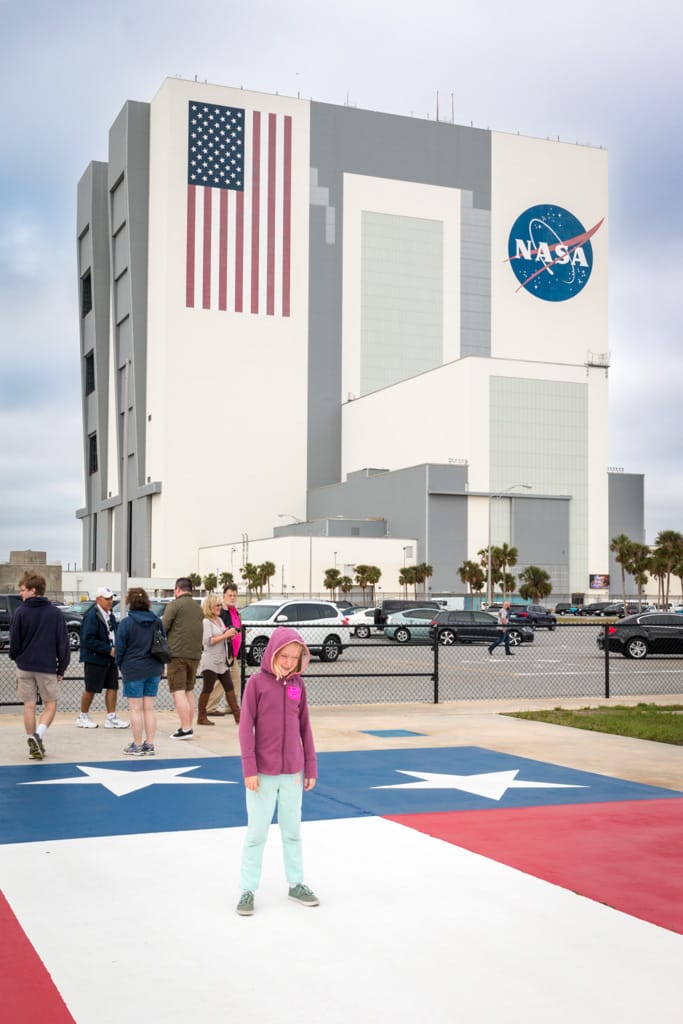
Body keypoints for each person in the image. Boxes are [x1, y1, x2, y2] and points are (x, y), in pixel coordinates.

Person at [236, 626, 319, 917]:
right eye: (284, 656)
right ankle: (247, 890)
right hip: (262, 774)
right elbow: (246, 728)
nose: (288, 662)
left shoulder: (298, 685)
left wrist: (310, 764)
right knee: (256, 833)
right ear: (273, 652)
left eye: (294, 658)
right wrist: (250, 768)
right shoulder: (256, 684)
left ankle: (296, 883)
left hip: (293, 773)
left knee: (292, 831)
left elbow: (304, 727)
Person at [9, 572, 71, 760]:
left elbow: (14, 641)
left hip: (25, 665)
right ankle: (39, 735)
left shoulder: (20, 612)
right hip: (46, 666)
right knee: (50, 704)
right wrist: (61, 668)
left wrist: (16, 656)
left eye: (23, 590)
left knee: (28, 706)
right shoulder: (55, 613)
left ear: (33, 590)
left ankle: (31, 741)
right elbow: (63, 643)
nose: (21, 594)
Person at [115, 587, 165, 755]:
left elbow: (120, 648)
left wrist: (120, 665)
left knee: (135, 709)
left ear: (130, 602)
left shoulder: (126, 623)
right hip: (154, 668)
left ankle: (136, 745)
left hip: (133, 668)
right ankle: (149, 744)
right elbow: (163, 644)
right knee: (149, 708)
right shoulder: (157, 621)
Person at [77, 587, 129, 728]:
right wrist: (108, 649)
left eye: (111, 598)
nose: (110, 601)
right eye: (107, 598)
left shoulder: (110, 616)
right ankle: (83, 715)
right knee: (91, 688)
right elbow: (88, 639)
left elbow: (113, 633)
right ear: (98, 599)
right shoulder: (92, 616)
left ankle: (111, 717)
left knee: (113, 686)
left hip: (110, 658)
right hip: (95, 658)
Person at [162, 577, 203, 740]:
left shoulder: (174, 605)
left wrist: (157, 647)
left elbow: (163, 627)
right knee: (189, 691)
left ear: (178, 589)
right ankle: (188, 725)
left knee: (178, 691)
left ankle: (186, 728)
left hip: (177, 654)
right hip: (194, 655)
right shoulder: (198, 608)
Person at [197, 595, 241, 726]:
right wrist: (225, 635)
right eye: (217, 605)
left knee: (229, 686)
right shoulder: (206, 622)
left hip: (222, 660)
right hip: (210, 660)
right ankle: (201, 716)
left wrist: (230, 632)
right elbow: (207, 641)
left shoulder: (219, 620)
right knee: (208, 687)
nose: (219, 608)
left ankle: (238, 715)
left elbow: (223, 634)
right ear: (210, 606)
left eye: (220, 605)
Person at [206, 583, 242, 717]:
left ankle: (231, 706)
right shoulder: (222, 612)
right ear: (224, 596)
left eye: (234, 595)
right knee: (222, 682)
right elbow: (219, 631)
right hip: (224, 653)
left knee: (236, 680)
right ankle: (209, 707)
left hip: (234, 654)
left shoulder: (236, 612)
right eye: (230, 595)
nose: (232, 598)